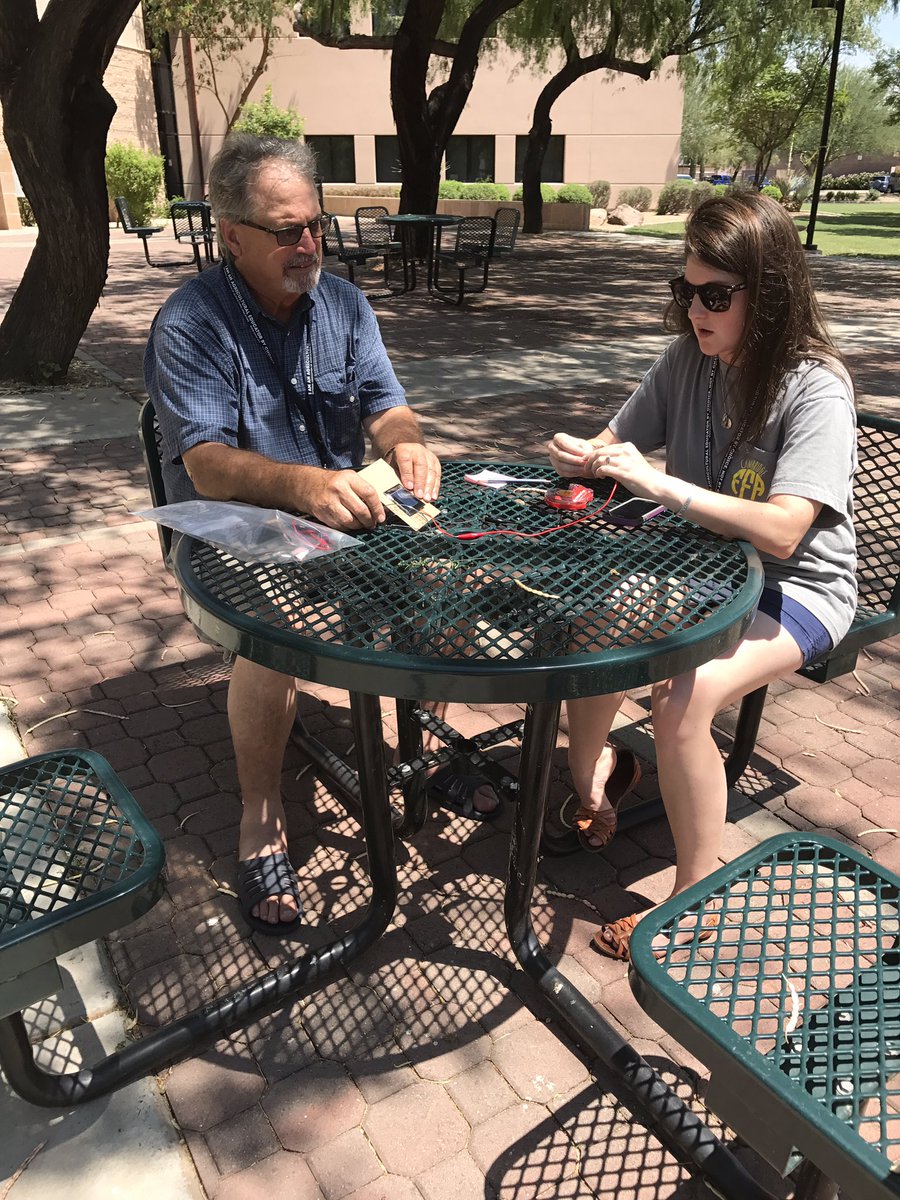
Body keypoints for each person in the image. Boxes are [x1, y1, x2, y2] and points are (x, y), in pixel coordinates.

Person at [145, 134, 498, 936]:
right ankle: (261, 809)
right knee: (274, 631)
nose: (307, 245)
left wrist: (406, 440)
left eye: (315, 225)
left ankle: (424, 754)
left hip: (344, 513)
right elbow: (204, 465)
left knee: (446, 579)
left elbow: (386, 402)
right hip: (234, 527)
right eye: (285, 231)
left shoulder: (342, 304)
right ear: (231, 235)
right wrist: (305, 485)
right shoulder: (192, 322)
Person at [547, 191, 857, 961]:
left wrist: (661, 486)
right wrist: (585, 455)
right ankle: (594, 786)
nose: (694, 310)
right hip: (705, 566)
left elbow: (788, 529)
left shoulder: (816, 385)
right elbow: (616, 438)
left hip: (799, 588)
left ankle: (696, 897)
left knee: (685, 692)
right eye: (686, 291)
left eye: (715, 295)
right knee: (593, 615)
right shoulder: (690, 356)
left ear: (771, 293)